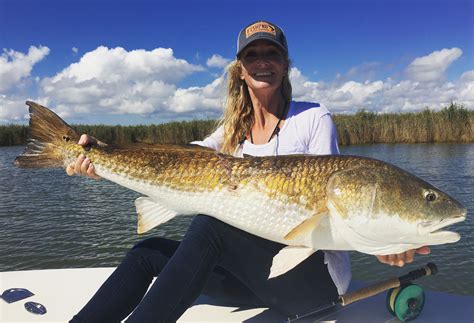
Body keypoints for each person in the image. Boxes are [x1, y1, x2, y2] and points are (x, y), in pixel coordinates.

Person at [68, 20, 430, 322]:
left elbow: (338, 203)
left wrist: (387, 240)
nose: (263, 62)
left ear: (285, 64)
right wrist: (101, 157)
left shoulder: (312, 117)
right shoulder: (231, 134)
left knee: (212, 222)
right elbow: (179, 160)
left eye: (272, 54)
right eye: (252, 55)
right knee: (147, 252)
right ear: (241, 69)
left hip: (313, 283)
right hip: (255, 278)